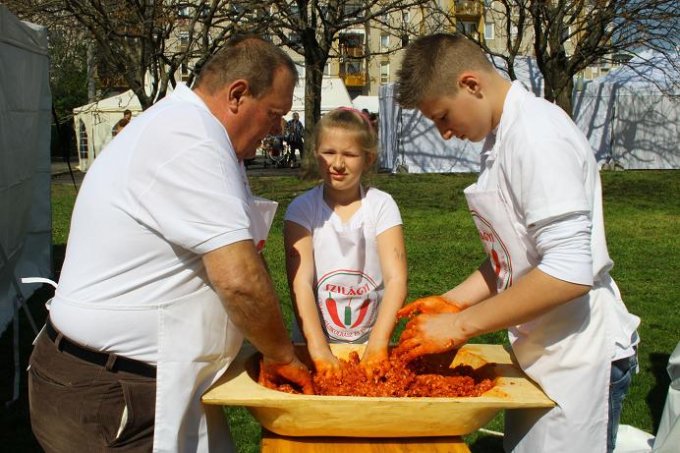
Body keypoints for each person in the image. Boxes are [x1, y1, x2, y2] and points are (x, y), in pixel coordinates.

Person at [28, 35, 313, 453]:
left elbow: (240, 254)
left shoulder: (200, 135)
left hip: (143, 384)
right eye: (274, 114)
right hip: (112, 395)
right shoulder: (189, 138)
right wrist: (283, 358)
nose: (278, 129)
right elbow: (238, 280)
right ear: (237, 95)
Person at [393, 33, 640, 453]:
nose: (446, 133)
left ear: (471, 85)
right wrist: (454, 301)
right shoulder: (501, 137)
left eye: (443, 116)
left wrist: (457, 326)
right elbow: (514, 256)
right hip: (543, 350)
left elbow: (568, 272)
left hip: (580, 357)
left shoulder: (537, 137)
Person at [283, 107, 407, 377]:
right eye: (329, 153)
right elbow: (300, 282)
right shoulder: (301, 209)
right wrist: (318, 350)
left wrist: (377, 344)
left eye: (349, 155)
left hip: (371, 340)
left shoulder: (381, 206)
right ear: (316, 152)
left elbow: (396, 279)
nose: (337, 164)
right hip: (313, 340)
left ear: (368, 158)